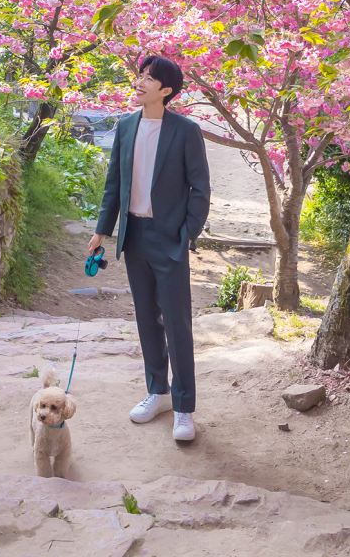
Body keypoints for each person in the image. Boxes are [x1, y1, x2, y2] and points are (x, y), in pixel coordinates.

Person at [88, 55, 211, 443]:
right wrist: (102, 232)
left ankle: (184, 407)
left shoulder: (186, 131)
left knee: (177, 324)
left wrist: (186, 234)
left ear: (167, 91)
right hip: (134, 236)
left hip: (169, 238)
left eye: (149, 78)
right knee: (146, 321)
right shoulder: (125, 127)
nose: (140, 82)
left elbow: (200, 189)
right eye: (140, 75)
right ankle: (157, 392)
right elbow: (114, 185)